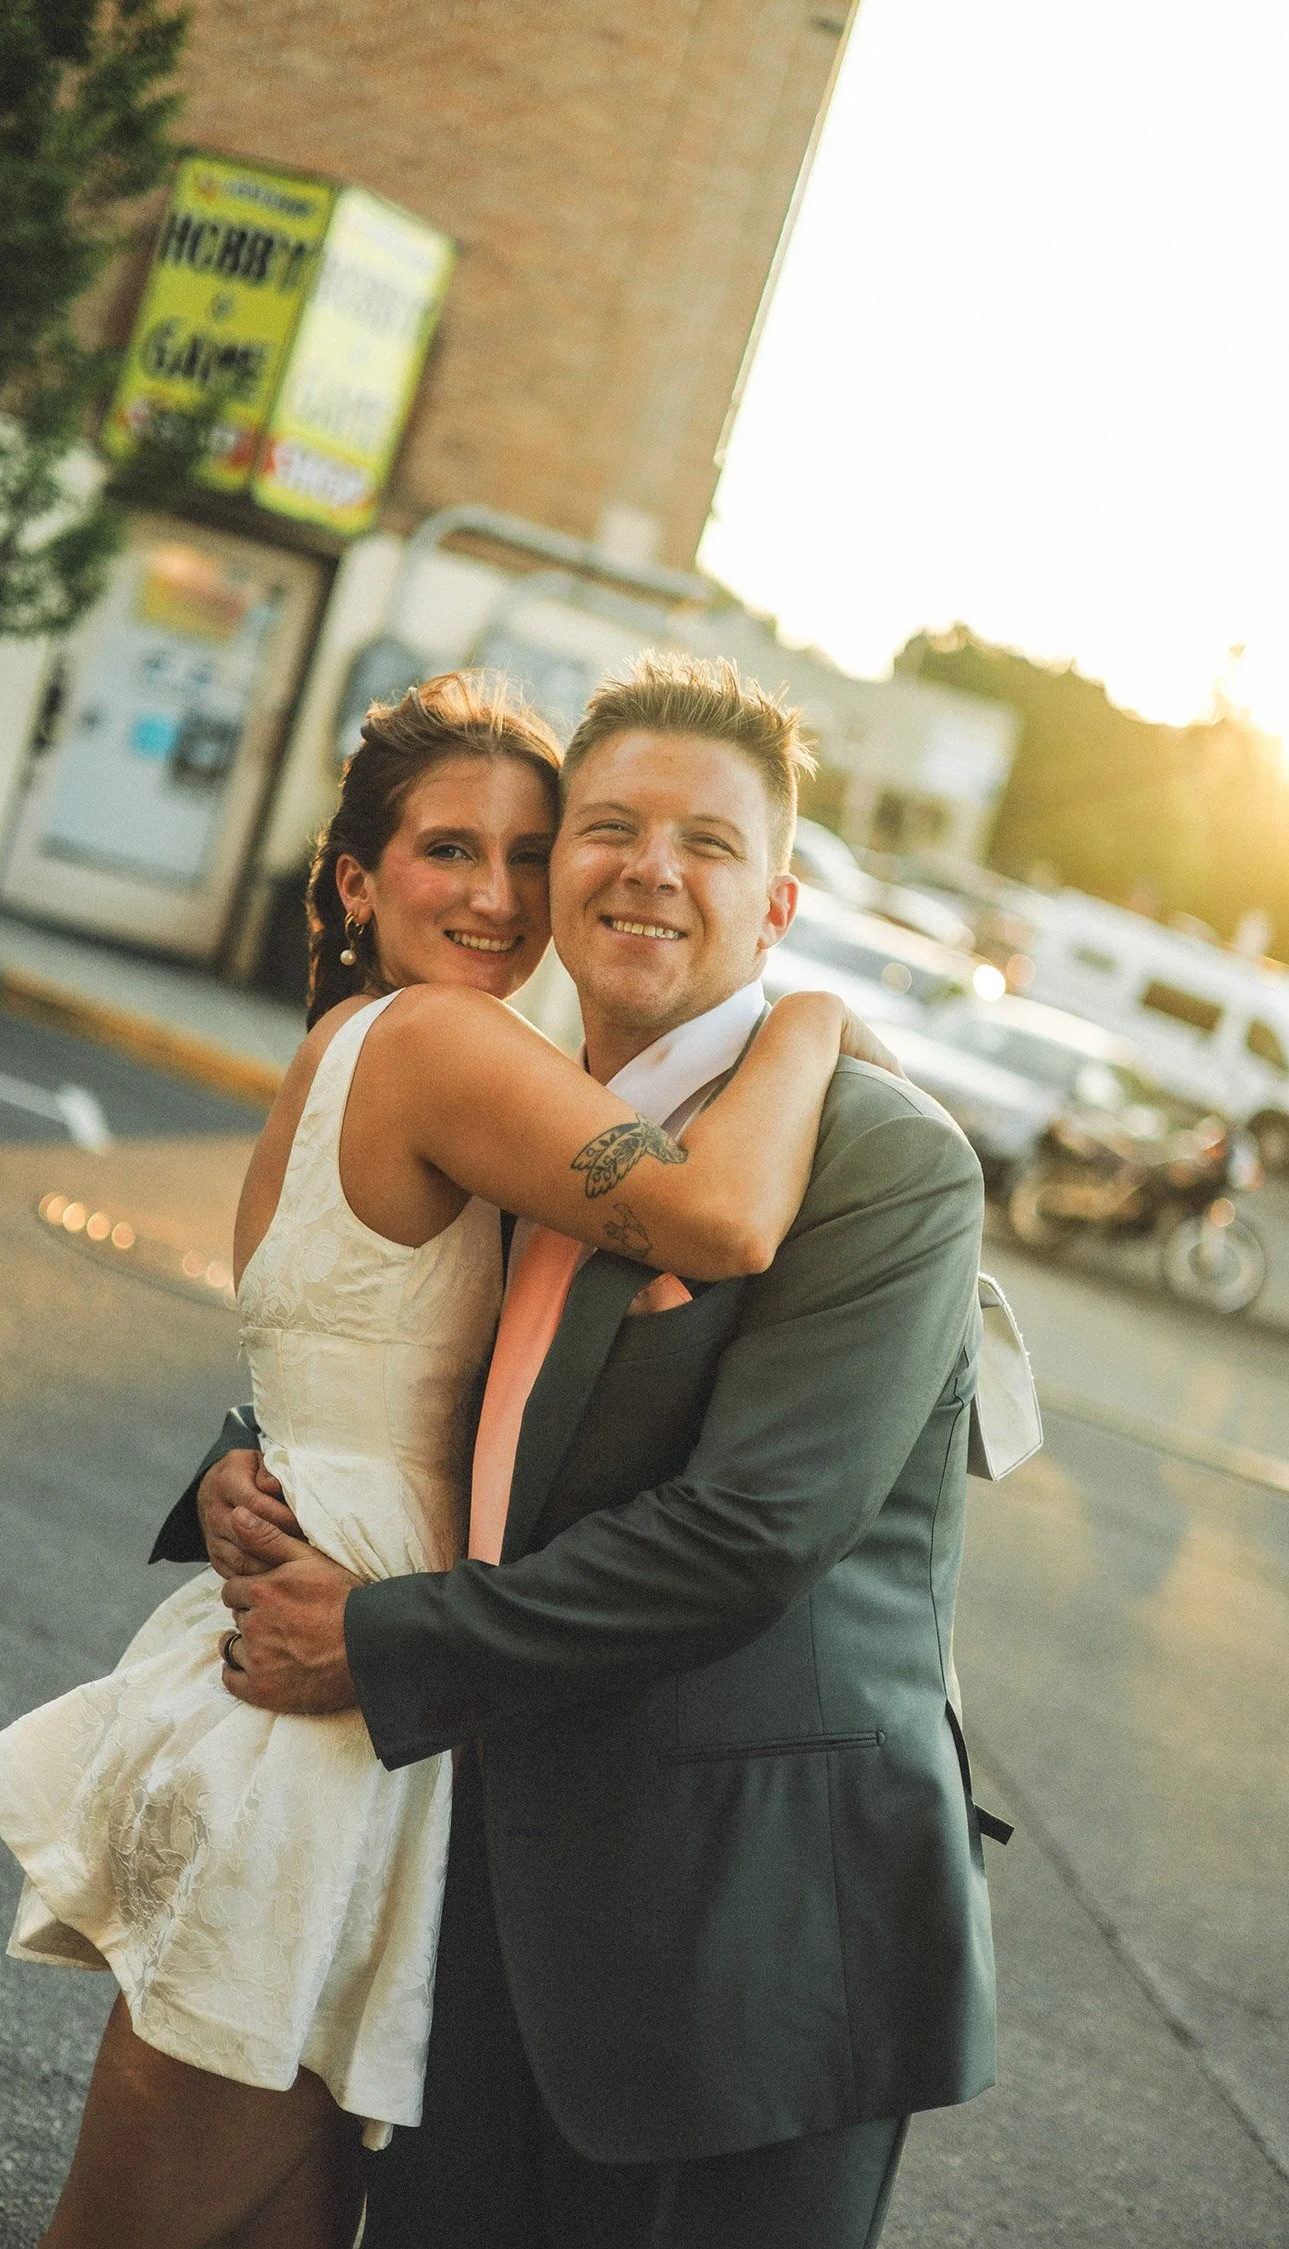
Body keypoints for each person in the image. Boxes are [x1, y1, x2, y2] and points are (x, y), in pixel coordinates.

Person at [0, 669, 868, 2249]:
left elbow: (316, 1371)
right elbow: (721, 1220)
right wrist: (815, 1017)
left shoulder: (348, 1045)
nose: (500, 894)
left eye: (529, 854)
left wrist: (243, 1470)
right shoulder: (444, 1044)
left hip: (332, 1638)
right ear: (362, 881)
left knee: (276, 2223)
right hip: (330, 1709)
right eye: (453, 852)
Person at [171, 653, 1001, 2249]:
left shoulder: (883, 1163)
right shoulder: (539, 1107)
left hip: (735, 1942)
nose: (649, 868)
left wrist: (380, 1637)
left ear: (778, 904)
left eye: (708, 841)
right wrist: (250, 1453)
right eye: (606, 828)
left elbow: (748, 1535)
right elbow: (411, 1353)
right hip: (483, 1875)